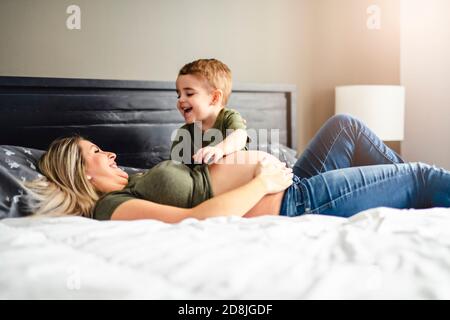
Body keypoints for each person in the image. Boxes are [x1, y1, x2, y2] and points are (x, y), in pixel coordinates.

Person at [26, 114, 450, 223]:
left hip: (292, 179)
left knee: (345, 126)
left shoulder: (136, 180)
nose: (111, 154)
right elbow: (195, 218)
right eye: (97, 151)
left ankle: (407, 199)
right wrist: (263, 179)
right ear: (80, 173)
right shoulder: (112, 206)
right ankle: (411, 195)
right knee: (419, 177)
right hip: (294, 201)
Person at [171, 58, 249, 165]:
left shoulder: (229, 117)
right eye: (178, 95)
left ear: (214, 98)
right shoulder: (184, 134)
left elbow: (240, 136)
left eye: (189, 94)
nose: (181, 100)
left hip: (235, 173)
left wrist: (220, 149)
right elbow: (174, 169)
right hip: (208, 179)